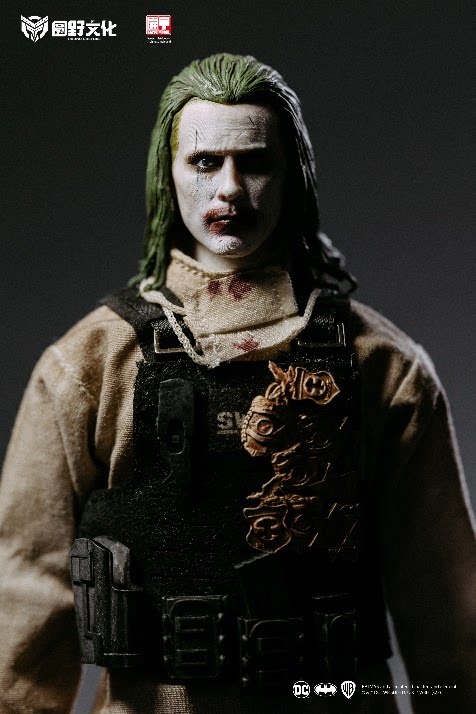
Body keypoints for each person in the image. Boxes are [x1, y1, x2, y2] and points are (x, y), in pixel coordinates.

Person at [0, 53, 474, 714]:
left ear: (291, 174)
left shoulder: (380, 365)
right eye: (204, 161)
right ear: (168, 173)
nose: (228, 189)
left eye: (255, 163)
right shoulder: (93, 364)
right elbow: (28, 589)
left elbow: (446, 603)